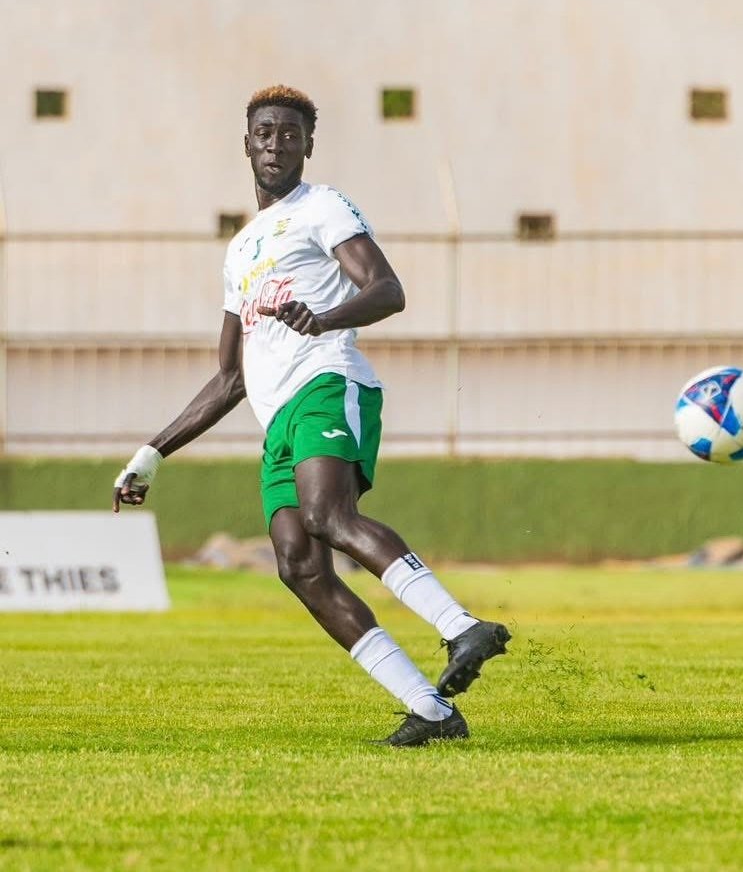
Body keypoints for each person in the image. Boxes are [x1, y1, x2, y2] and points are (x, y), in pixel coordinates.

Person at [112, 85, 511, 747]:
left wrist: (323, 319)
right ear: (247, 145)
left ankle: (462, 626)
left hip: (327, 382)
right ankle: (433, 711)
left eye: (290, 134)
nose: (276, 144)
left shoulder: (321, 207)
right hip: (278, 422)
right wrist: (151, 454)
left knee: (328, 517)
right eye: (265, 133)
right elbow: (230, 377)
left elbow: (388, 289)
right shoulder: (239, 251)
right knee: (299, 565)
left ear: (308, 146)